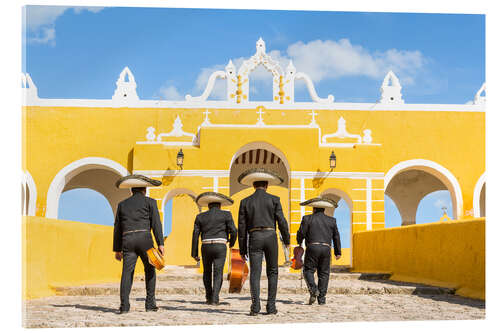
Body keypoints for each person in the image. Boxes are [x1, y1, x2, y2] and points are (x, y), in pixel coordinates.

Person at [237, 168, 290, 316]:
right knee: (273, 271)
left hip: (254, 237)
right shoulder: (274, 199)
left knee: (255, 272)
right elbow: (282, 222)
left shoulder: (245, 202)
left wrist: (242, 249)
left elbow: (241, 228)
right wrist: (286, 240)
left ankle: (255, 307)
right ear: (267, 185)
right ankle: (271, 307)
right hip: (271, 235)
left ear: (254, 186)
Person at [113, 174, 164, 314]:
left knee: (127, 273)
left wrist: (117, 249)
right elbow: (156, 224)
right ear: (144, 190)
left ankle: (124, 306)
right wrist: (160, 243)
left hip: (128, 240)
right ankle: (150, 304)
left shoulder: (122, 204)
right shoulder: (150, 202)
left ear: (131, 191)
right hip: (145, 239)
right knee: (150, 270)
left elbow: (117, 227)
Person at [191, 192, 237, 305]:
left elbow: (195, 235)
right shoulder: (226, 215)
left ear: (208, 206)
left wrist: (194, 253)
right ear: (220, 206)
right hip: (220, 246)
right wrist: (231, 243)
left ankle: (208, 297)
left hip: (205, 246)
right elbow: (234, 231)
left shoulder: (200, 216)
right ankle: (215, 299)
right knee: (218, 273)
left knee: (207, 272)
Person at [296, 197, 342, 305]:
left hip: (312, 247)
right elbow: (336, 236)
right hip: (326, 248)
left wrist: (299, 242)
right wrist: (337, 252)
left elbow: (301, 233)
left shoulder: (307, 218)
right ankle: (321, 299)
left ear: (314, 209)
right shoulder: (332, 220)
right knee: (324, 274)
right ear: (324, 209)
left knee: (308, 270)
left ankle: (313, 289)